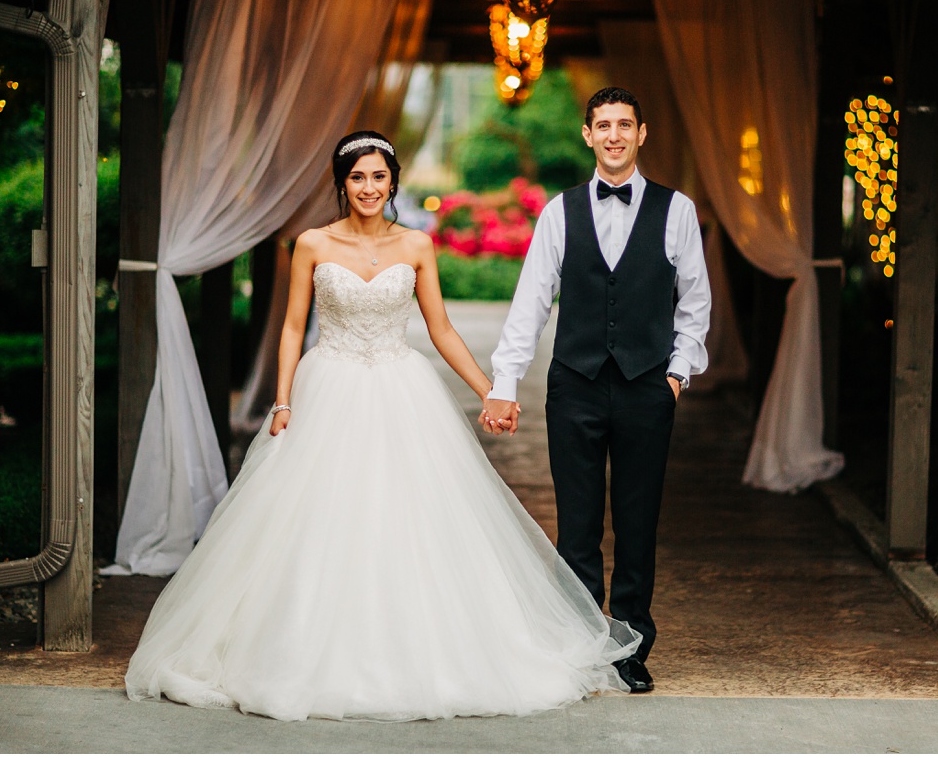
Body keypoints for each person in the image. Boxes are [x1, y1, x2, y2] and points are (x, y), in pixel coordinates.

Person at [124, 131, 640, 722]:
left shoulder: (417, 244)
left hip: (401, 388)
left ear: (393, 181)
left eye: (378, 177)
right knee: (318, 518)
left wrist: (491, 390)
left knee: (412, 517)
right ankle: (299, 649)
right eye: (356, 178)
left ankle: (425, 651)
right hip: (330, 387)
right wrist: (284, 400)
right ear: (342, 184)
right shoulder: (313, 243)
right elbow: (293, 328)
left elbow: (442, 329)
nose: (368, 188)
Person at [482, 88, 711, 693]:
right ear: (587, 134)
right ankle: (582, 647)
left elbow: (695, 302)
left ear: (642, 133)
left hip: (646, 388)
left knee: (638, 523)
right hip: (575, 386)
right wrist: (504, 383)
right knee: (577, 524)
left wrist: (676, 376)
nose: (613, 135)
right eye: (603, 125)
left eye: (624, 125)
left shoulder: (677, 209)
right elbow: (530, 302)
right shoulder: (560, 212)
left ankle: (631, 646)